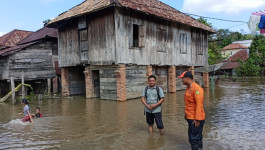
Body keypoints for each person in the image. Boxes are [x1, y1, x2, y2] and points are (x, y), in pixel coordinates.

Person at [178, 71, 205, 150]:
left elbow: (199, 104)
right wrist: (186, 115)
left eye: (182, 79)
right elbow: (189, 104)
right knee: (197, 137)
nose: (181, 80)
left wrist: (197, 119)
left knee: (193, 139)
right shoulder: (189, 88)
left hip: (195, 119)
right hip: (191, 117)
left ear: (187, 78)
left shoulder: (197, 89)